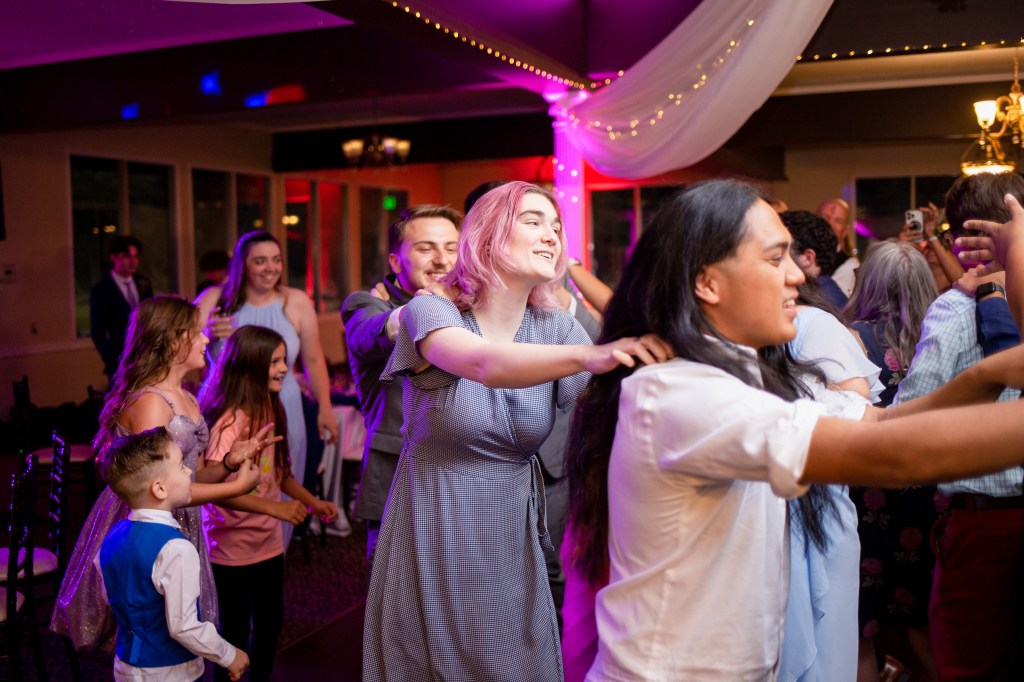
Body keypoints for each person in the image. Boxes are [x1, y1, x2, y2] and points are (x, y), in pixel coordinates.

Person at [564, 179, 1024, 681]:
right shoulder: (678, 392)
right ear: (708, 283)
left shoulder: (748, 378)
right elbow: (891, 454)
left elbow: (882, 420)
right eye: (774, 258)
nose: (796, 275)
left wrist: (987, 373)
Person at [362, 181, 667, 681]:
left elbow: (611, 406)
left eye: (556, 226)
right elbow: (484, 363)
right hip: (436, 527)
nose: (551, 235)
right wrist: (590, 354)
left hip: (512, 537)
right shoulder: (431, 311)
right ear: (488, 234)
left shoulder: (556, 328)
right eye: (533, 221)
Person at [51, 296, 265, 653]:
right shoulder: (150, 402)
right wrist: (238, 487)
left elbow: (191, 477)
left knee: (178, 628)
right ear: (172, 340)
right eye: (196, 332)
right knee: (151, 633)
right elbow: (159, 488)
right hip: (148, 525)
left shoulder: (188, 397)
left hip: (181, 520)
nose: (205, 339)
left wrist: (228, 464)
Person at [892, 171, 1023, 681]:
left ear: (962, 239)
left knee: (971, 663)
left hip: (985, 528)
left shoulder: (955, 307)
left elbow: (913, 412)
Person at [200, 325, 337, 682]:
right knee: (233, 633)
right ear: (250, 365)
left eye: (284, 360)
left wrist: (312, 501)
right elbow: (216, 490)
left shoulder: (270, 408)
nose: (284, 368)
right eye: (275, 361)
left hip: (268, 545)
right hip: (231, 549)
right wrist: (276, 510)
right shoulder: (230, 422)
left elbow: (280, 474)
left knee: (269, 625)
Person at [839, 240, 943, 681]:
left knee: (861, 624)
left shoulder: (849, 339)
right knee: (925, 616)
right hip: (931, 488)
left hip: (871, 494)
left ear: (867, 283)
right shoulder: (941, 334)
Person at [196, 230, 340, 548]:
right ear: (242, 265)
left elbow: (313, 359)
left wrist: (326, 409)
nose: (270, 268)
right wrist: (207, 333)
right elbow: (185, 353)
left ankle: (276, 554)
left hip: (283, 404)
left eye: (276, 260)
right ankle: (225, 561)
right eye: (260, 261)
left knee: (278, 478)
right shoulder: (215, 299)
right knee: (223, 485)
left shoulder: (296, 301)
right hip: (227, 406)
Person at [342, 204, 461, 566]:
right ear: (396, 261)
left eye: (452, 248)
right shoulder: (367, 304)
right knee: (393, 596)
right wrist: (422, 307)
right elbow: (367, 334)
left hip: (462, 480)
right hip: (397, 479)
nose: (442, 260)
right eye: (426, 248)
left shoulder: (470, 306)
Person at [98, 427, 250, 682]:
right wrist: (229, 655)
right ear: (159, 488)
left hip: (126, 666)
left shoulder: (113, 535)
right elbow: (184, 627)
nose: (189, 471)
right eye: (181, 466)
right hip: (170, 672)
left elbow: (110, 595)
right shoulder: (176, 549)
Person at [90, 235, 154, 380]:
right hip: (120, 359)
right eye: (127, 257)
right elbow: (98, 331)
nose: (133, 261)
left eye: (136, 256)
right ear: (113, 258)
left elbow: (151, 317)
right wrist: (113, 362)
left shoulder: (143, 282)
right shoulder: (101, 290)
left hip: (147, 357)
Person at [782, 209, 850, 311]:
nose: (777, 260)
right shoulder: (826, 292)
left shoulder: (814, 306)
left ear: (807, 258)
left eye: (783, 250)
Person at [817, 197, 859, 296]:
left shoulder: (850, 266)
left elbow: (828, 300)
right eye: (825, 217)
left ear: (845, 231)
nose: (830, 224)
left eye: (838, 221)